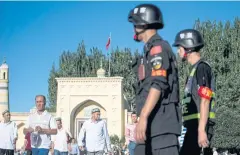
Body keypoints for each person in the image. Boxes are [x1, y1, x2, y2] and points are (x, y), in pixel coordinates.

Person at [128, 3, 182, 155]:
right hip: (149, 128)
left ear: (143, 24)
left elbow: (158, 84)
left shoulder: (158, 48)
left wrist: (143, 117)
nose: (133, 28)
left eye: (135, 23)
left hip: (162, 128)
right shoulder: (148, 52)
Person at [172, 29, 216, 155]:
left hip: (200, 126)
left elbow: (205, 99)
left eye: (180, 47)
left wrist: (201, 130)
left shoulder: (202, 67)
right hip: (194, 126)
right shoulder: (194, 70)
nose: (178, 51)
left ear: (188, 47)